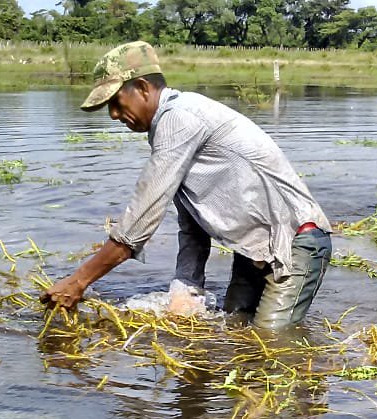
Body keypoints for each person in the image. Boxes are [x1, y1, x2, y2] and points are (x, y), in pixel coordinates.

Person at [41, 41, 332, 331]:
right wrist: (185, 293)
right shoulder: (169, 129)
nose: (114, 114)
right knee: (233, 328)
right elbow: (192, 229)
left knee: (269, 341)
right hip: (253, 251)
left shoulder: (179, 118)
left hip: (294, 244)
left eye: (116, 102)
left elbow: (138, 221)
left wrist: (79, 281)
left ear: (142, 87)